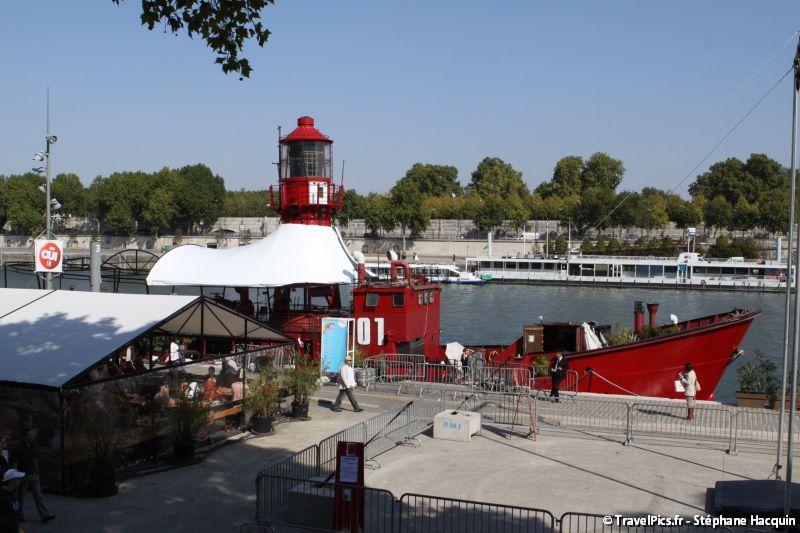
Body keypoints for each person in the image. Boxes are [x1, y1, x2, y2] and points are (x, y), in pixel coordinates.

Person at [12, 429, 54, 524]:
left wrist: (37, 473)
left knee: (38, 496)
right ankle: (19, 516)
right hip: (23, 475)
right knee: (20, 497)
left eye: (32, 435)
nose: (31, 437)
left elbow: (35, 460)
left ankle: (45, 515)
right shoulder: (18, 448)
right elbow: (14, 462)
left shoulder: (34, 447)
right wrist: (15, 476)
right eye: (29, 435)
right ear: (24, 436)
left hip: (33, 475)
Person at [0, 469, 25, 533]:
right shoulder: (2, 496)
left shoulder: (13, 493)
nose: (21, 480)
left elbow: (15, 515)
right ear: (12, 481)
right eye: (18, 479)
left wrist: (19, 528)